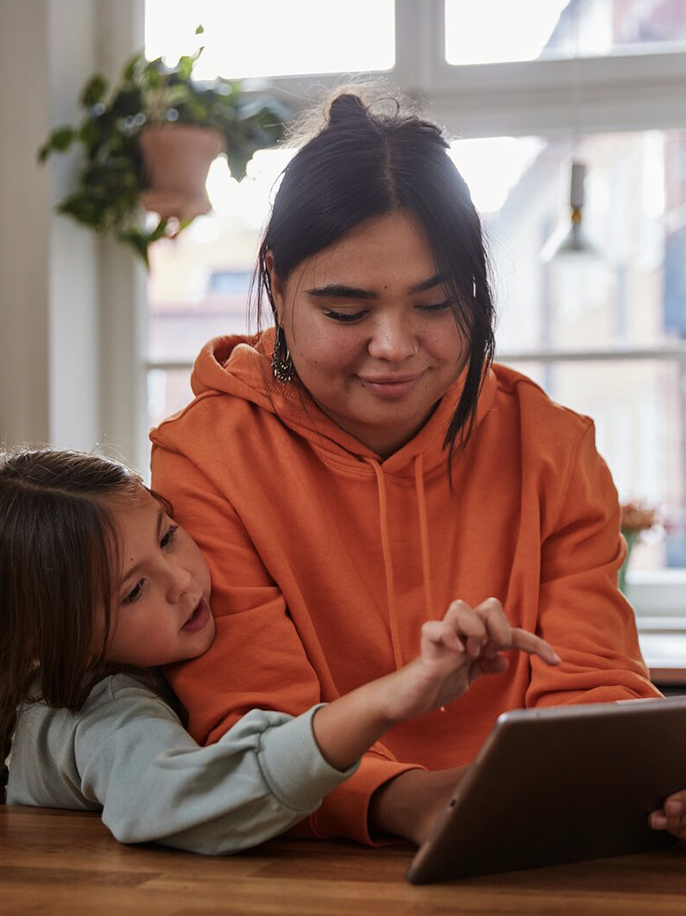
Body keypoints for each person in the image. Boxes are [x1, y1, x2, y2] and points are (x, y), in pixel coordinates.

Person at [149, 91, 677, 847]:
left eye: (435, 304)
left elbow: (592, 684)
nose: (394, 346)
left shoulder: (552, 446)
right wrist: (411, 798)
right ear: (275, 284)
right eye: (346, 311)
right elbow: (248, 725)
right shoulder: (207, 459)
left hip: (529, 843)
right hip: (298, 862)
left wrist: (637, 777)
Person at [0, 447, 558, 854]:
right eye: (134, 590)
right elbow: (170, 796)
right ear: (40, 642)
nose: (182, 582)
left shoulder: (149, 659)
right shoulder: (94, 710)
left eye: (168, 536)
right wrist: (380, 703)